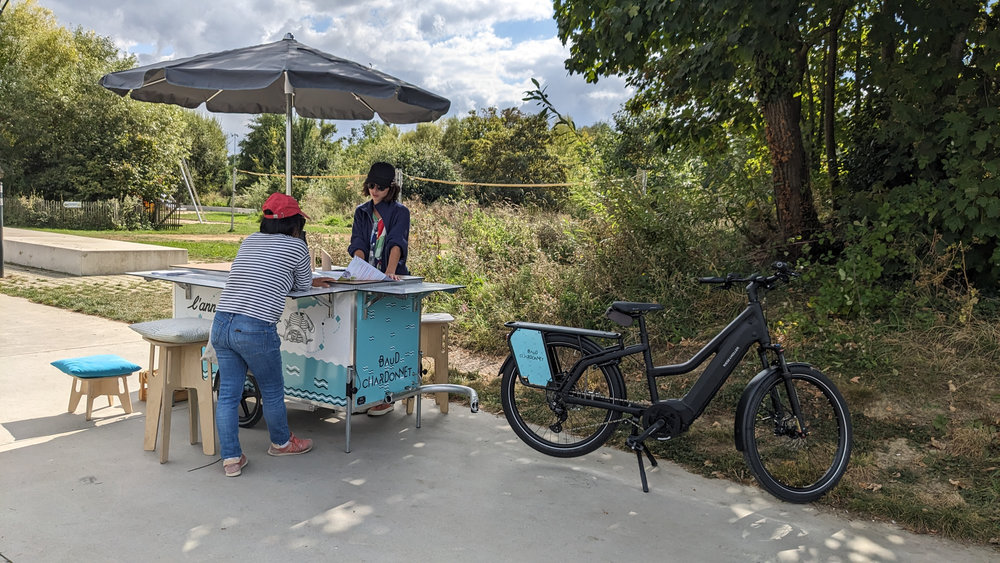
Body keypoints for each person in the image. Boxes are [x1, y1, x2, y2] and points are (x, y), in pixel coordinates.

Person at [212, 192, 337, 477]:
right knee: (271, 390)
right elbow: (303, 285)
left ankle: (231, 459)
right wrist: (304, 258)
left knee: (229, 394)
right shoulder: (296, 248)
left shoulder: (250, 241)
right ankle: (281, 443)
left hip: (222, 322)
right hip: (256, 327)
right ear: (296, 225)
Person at [348, 162, 411, 416]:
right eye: (371, 185)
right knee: (363, 336)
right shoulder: (361, 211)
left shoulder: (400, 212)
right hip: (366, 278)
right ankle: (366, 393)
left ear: (391, 188)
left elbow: (397, 242)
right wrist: (360, 269)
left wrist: (390, 273)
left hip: (390, 279)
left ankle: (386, 396)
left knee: (388, 338)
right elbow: (358, 242)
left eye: (381, 187)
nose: (374, 190)